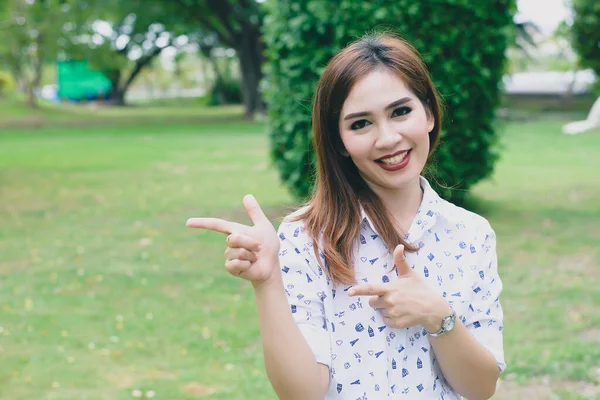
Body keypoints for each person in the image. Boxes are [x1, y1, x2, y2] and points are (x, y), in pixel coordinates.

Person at [186, 32, 505, 400]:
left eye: (401, 112)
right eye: (360, 124)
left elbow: (481, 389)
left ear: (429, 114)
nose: (387, 138)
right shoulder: (306, 237)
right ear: (338, 142)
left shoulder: (471, 234)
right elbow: (301, 394)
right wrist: (267, 282)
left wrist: (439, 317)